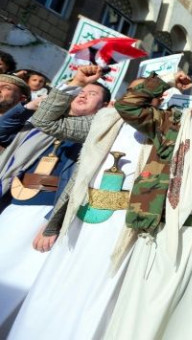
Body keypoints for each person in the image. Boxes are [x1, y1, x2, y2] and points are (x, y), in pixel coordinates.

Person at [8, 67, 170, 339]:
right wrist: (75, 83)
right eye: (130, 93)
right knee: (57, 286)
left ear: (158, 100)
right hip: (79, 219)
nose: (134, 101)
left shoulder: (167, 129)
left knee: (98, 295)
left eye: (144, 95)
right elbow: (47, 122)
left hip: (121, 229)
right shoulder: (105, 120)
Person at [105, 71, 192, 339]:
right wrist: (166, 82)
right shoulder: (171, 123)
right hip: (167, 232)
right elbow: (127, 105)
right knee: (150, 308)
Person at [0, 70, 108, 335]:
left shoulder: (97, 134)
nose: (83, 94)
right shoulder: (42, 123)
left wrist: (51, 221)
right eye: (82, 91)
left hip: (41, 220)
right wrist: (29, 106)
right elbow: (3, 132)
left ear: (105, 107)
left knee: (15, 290)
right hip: (12, 209)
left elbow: (72, 182)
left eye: (93, 94)